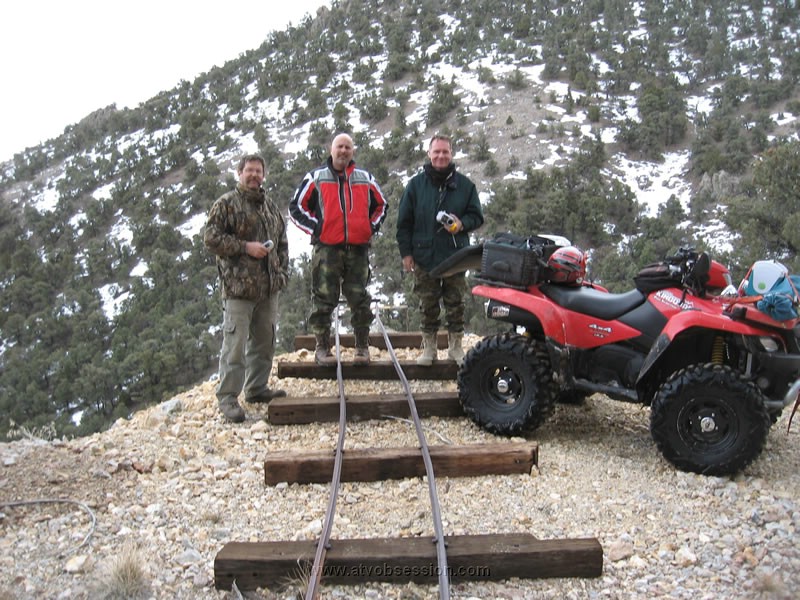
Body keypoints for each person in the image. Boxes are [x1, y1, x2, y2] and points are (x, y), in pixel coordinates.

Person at [204, 154, 289, 423]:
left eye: (258, 171)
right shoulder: (226, 204)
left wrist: (282, 273)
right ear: (239, 173)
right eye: (249, 170)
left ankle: (256, 388)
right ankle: (228, 397)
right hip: (239, 289)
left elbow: (282, 241)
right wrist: (245, 247)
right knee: (235, 345)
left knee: (264, 342)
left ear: (264, 175)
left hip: (268, 289)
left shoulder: (270, 207)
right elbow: (211, 238)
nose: (254, 175)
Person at [289, 133, 388, 366]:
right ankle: (322, 348)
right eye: (339, 147)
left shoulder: (365, 178)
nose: (343, 151)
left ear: (353, 151)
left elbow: (381, 205)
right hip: (327, 250)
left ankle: (362, 348)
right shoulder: (316, 177)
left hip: (358, 249)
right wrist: (318, 228)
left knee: (359, 298)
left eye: (348, 147)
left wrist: (369, 227)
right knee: (323, 298)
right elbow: (296, 207)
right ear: (331, 150)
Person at [396, 134, 484, 366]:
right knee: (428, 304)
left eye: (445, 152)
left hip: (456, 256)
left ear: (451, 153)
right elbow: (403, 223)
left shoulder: (465, 186)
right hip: (424, 256)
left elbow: (477, 216)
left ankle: (455, 347)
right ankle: (430, 348)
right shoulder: (415, 186)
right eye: (437, 152)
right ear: (429, 154)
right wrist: (406, 253)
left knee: (456, 303)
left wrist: (462, 223)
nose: (441, 156)